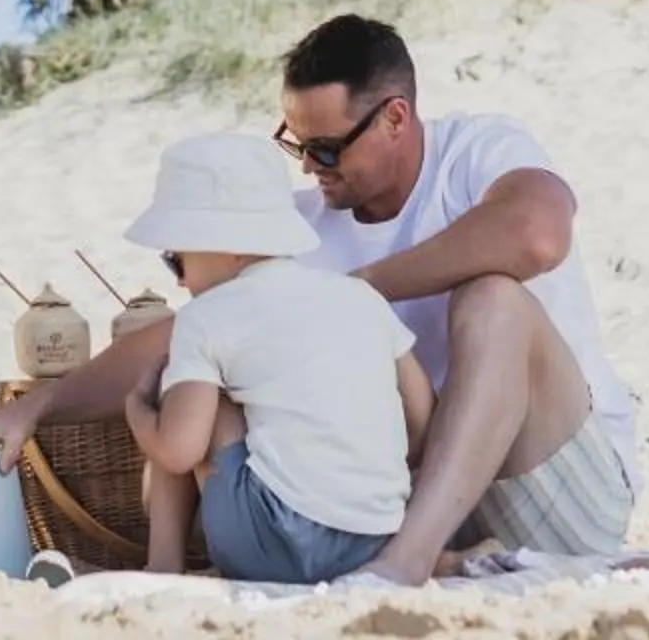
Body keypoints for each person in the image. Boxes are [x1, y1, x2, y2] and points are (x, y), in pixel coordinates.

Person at [0, 13, 639, 585]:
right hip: (405, 501)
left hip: (550, 486)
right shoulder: (294, 230)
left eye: (326, 149)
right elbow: (184, 337)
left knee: (493, 299)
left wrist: (354, 293)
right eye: (296, 146)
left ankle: (407, 563)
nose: (310, 167)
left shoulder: (476, 150)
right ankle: (406, 554)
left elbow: (536, 234)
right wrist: (33, 407)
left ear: (395, 118)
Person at [119, 135, 433, 585]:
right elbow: (421, 418)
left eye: (177, 260)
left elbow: (178, 451)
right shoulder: (361, 297)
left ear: (226, 245)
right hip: (377, 540)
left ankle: (164, 564)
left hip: (271, 547)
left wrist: (138, 408)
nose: (181, 280)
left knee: (191, 401)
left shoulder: (204, 317)